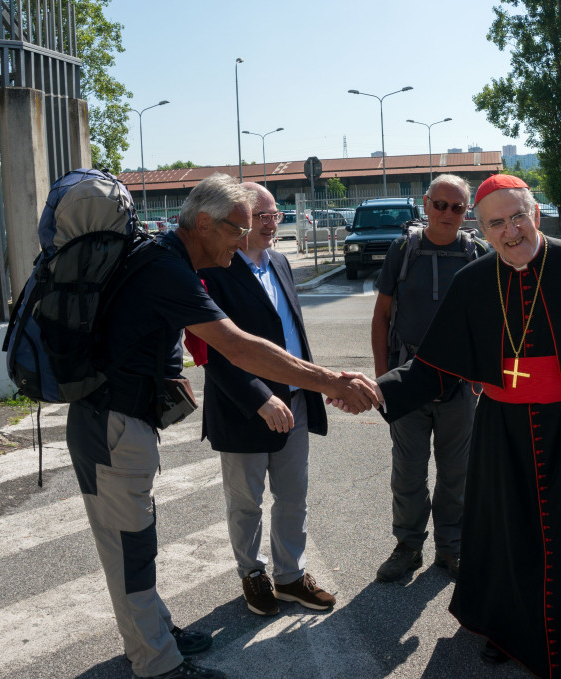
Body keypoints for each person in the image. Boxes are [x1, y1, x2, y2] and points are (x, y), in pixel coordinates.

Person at [67, 174, 378, 679]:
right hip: (112, 426)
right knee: (130, 550)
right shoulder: (168, 268)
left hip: (125, 423)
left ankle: (158, 633)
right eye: (238, 228)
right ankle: (158, 664)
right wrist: (330, 382)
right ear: (205, 223)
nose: (244, 238)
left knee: (137, 543)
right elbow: (237, 347)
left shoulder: (168, 258)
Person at [372, 174, 561, 678]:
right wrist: (376, 390)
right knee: (507, 535)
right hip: (501, 429)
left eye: (518, 217)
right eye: (496, 223)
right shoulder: (473, 282)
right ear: (482, 230)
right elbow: (435, 368)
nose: (511, 231)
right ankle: (508, 634)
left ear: (536, 213)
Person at [198, 182, 335, 616]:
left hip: (293, 401)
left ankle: (291, 576)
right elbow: (212, 353)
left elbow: (292, 333)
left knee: (294, 494)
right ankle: (252, 574)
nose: (272, 224)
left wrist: (311, 385)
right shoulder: (213, 269)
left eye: (276, 215)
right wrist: (258, 396)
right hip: (244, 407)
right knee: (246, 501)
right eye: (263, 217)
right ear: (236, 221)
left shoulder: (279, 261)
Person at [370, 174, 487, 582]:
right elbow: (382, 316)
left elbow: (495, 322)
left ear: (467, 211)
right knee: (408, 472)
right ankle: (408, 546)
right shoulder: (403, 250)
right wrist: (384, 379)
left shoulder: (478, 254)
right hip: (409, 378)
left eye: (457, 207)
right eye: (440, 205)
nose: (447, 214)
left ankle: (451, 548)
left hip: (459, 385)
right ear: (426, 204)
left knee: (458, 473)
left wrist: (481, 377)